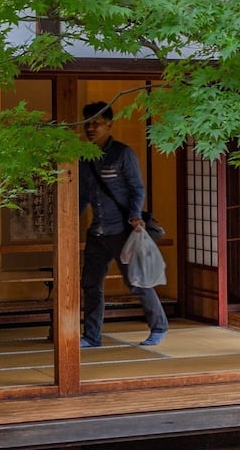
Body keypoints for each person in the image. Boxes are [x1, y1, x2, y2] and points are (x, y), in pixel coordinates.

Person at [77, 101, 169, 348]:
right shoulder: (84, 157)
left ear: (109, 124)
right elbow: (83, 195)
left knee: (137, 282)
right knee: (90, 284)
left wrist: (134, 215)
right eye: (87, 123)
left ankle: (159, 327)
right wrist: (68, 219)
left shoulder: (122, 153)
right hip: (97, 231)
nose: (91, 128)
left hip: (122, 231)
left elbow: (137, 188)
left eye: (96, 123)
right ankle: (91, 335)